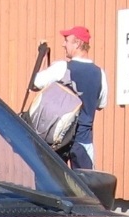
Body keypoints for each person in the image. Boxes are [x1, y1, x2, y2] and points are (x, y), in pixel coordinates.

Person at [33, 25, 106, 169]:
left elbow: (35, 83)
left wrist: (42, 56)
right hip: (83, 143)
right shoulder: (100, 74)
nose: (63, 44)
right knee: (85, 187)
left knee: (52, 188)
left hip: (58, 141)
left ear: (77, 43)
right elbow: (101, 104)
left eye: (66, 40)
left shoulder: (62, 67)